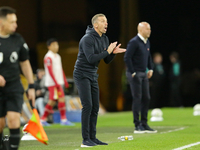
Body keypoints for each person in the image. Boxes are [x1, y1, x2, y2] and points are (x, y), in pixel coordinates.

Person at [73, 13, 126, 147]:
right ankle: (85, 140)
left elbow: (106, 60)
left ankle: (93, 137)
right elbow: (91, 58)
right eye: (103, 21)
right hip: (81, 74)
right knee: (88, 106)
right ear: (95, 24)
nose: (106, 23)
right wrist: (108, 51)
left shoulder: (105, 38)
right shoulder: (87, 39)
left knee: (95, 107)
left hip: (92, 75)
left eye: (106, 21)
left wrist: (112, 53)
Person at [0, 6, 35, 150]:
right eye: (12, 22)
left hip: (14, 86)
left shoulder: (18, 39)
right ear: (2, 23)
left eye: (16, 21)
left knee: (14, 120)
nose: (16, 25)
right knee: (1, 124)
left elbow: (25, 63)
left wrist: (32, 86)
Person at [124, 22, 157, 134]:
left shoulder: (146, 42)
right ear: (141, 30)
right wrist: (132, 71)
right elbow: (127, 57)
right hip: (135, 74)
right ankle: (137, 125)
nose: (149, 31)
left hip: (143, 73)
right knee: (137, 98)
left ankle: (144, 123)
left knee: (146, 98)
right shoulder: (134, 42)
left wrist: (151, 68)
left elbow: (148, 57)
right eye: (148, 29)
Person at [41, 38, 74, 126]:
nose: (56, 47)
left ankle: (43, 119)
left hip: (59, 82)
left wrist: (64, 80)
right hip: (53, 83)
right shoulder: (48, 57)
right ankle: (63, 120)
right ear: (49, 47)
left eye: (57, 45)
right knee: (60, 99)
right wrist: (56, 83)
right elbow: (50, 71)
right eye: (54, 45)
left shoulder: (58, 56)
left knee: (52, 101)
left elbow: (60, 70)